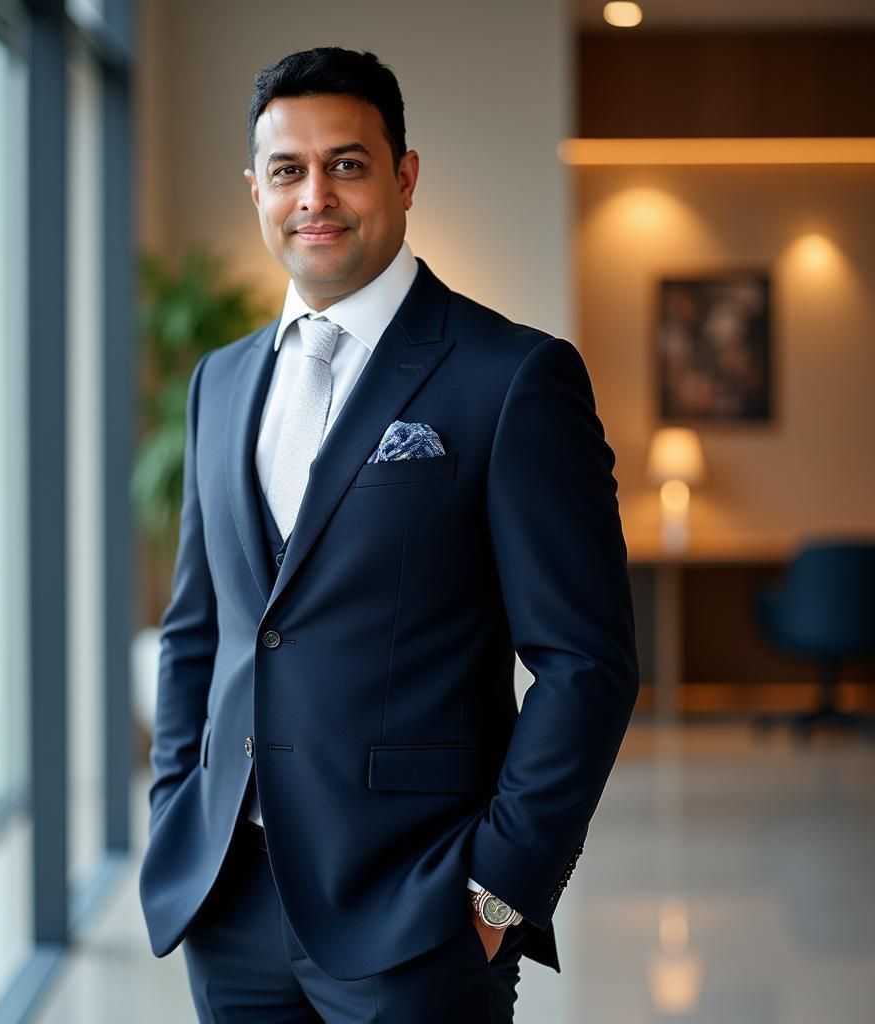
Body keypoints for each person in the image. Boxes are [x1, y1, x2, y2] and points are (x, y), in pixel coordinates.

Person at [139, 45, 639, 1023]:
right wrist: (174, 813)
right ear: (256, 191)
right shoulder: (219, 384)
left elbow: (586, 661)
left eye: (348, 163)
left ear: (404, 176)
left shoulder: (510, 378)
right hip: (229, 901)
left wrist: (499, 886)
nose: (314, 195)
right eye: (287, 170)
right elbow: (199, 628)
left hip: (417, 908)